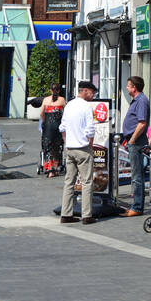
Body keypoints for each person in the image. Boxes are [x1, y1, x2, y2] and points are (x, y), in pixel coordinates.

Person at [58, 80, 96, 224]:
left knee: (69, 181)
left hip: (71, 148)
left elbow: (63, 127)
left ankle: (66, 214)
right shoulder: (86, 106)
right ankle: (87, 215)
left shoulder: (69, 105)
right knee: (86, 182)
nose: (93, 96)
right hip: (83, 148)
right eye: (92, 92)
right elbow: (90, 128)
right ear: (85, 91)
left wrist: (66, 142)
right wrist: (90, 144)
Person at [119, 76, 150, 217]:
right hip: (133, 141)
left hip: (137, 142)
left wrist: (132, 140)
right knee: (136, 175)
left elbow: (142, 123)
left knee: (137, 176)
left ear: (134, 88)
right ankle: (136, 205)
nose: (126, 88)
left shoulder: (141, 101)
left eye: (128, 85)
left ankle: (137, 207)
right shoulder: (136, 100)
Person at [39, 83, 66, 177]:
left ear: (50, 90)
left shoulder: (45, 100)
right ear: (59, 90)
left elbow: (41, 113)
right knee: (57, 147)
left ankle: (49, 169)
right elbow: (66, 114)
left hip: (48, 126)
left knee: (47, 147)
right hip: (58, 126)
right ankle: (55, 168)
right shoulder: (62, 100)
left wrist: (44, 121)